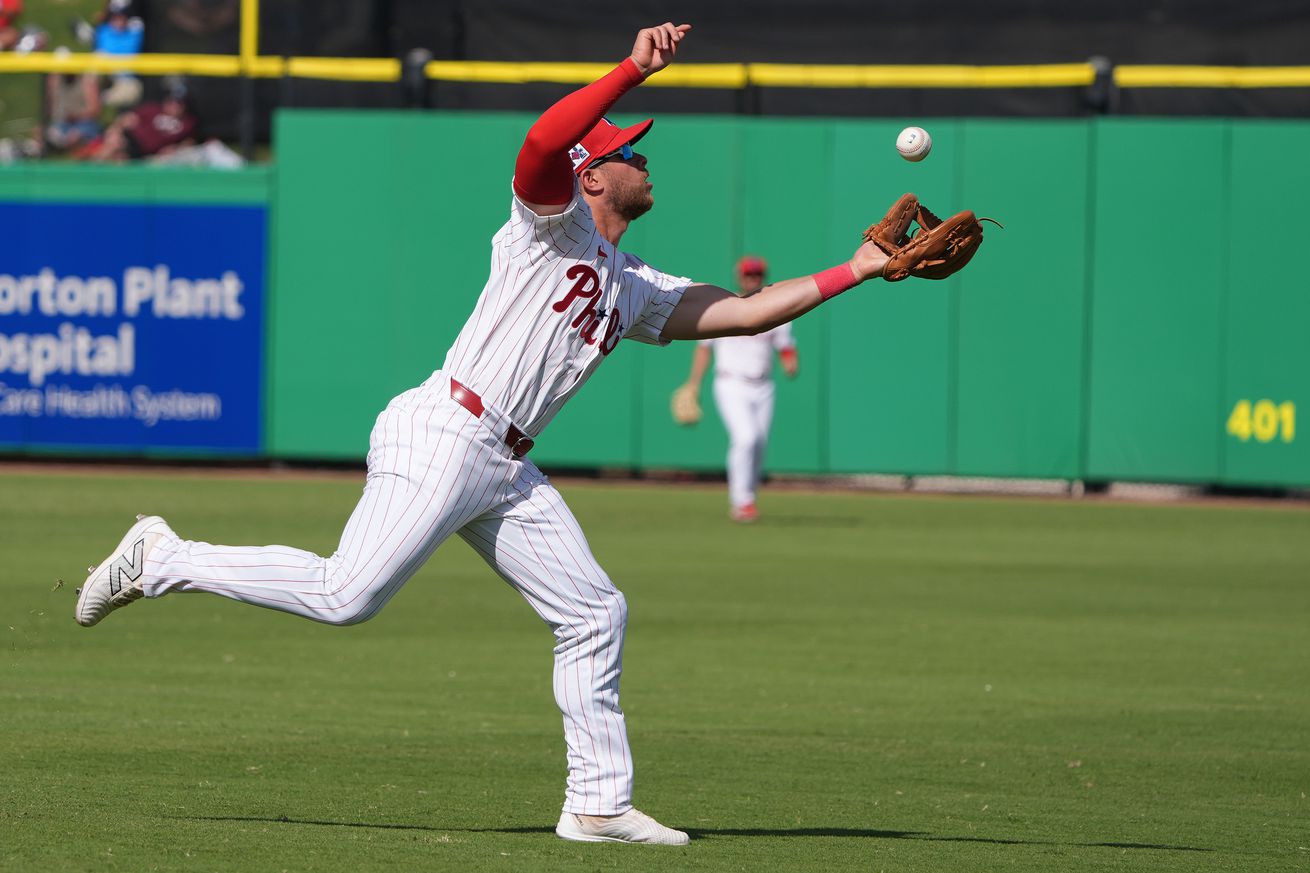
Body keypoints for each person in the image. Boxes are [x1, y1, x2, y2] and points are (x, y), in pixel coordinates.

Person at [75, 22, 894, 846]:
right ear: (593, 174)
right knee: (345, 594)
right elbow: (543, 140)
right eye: (630, 153)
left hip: (505, 467)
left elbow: (747, 311)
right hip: (446, 430)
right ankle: (163, 556)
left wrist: (855, 269)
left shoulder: (637, 284)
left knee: (594, 611)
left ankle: (597, 804)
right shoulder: (551, 223)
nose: (644, 161)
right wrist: (630, 72)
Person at [678, 255, 798, 523]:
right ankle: (741, 500)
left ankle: (749, 498)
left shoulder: (775, 308)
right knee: (746, 438)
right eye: (748, 275)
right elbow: (703, 349)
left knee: (759, 444)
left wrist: (790, 362)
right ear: (740, 277)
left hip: (763, 385)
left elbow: (786, 347)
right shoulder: (725, 306)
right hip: (730, 382)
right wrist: (693, 383)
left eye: (757, 275)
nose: (753, 279)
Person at [84, 85, 199, 161]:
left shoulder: (187, 123)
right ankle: (90, 169)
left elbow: (190, 142)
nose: (174, 106)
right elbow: (127, 118)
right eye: (171, 101)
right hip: (132, 140)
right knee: (115, 143)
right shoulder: (152, 109)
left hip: (153, 153)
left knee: (123, 158)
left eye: (179, 104)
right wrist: (116, 129)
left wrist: (176, 148)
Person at [44, 71, 103, 153]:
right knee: (47, 133)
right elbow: (51, 109)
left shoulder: (86, 82)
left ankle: (76, 150)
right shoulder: (56, 80)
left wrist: (76, 116)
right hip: (64, 123)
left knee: (74, 136)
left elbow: (95, 110)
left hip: (84, 123)